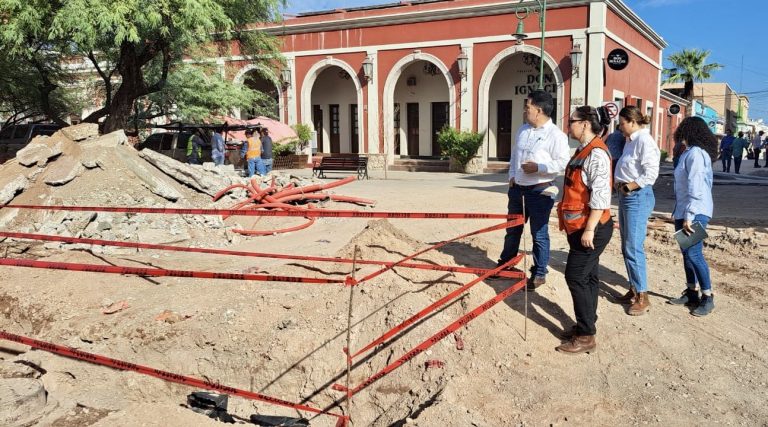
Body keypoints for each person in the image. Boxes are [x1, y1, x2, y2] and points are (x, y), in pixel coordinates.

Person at [555, 105, 614, 355]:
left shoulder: (597, 154)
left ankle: (587, 335)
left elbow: (601, 197)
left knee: (575, 275)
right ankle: (586, 323)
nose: (569, 125)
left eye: (572, 121)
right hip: (579, 226)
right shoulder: (583, 150)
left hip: (591, 228)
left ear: (586, 124)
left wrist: (589, 229)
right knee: (588, 276)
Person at [497, 89, 570, 290]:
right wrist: (511, 176)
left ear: (538, 110)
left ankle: (539, 272)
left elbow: (563, 162)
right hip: (517, 190)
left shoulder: (556, 136)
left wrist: (540, 168)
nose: (524, 110)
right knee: (512, 230)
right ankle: (506, 265)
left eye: (527, 107)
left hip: (540, 191)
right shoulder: (523, 130)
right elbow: (514, 156)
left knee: (539, 234)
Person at [667, 117, 716, 316]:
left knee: (694, 254)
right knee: (687, 254)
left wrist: (689, 215)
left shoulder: (696, 154)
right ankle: (691, 292)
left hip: (695, 212)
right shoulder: (688, 153)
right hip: (684, 211)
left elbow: (696, 187)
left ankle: (708, 296)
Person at [614, 105, 660, 316]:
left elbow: (651, 174)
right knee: (626, 246)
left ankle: (643, 295)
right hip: (626, 196)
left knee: (633, 247)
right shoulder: (630, 141)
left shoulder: (644, 141)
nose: (620, 127)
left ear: (632, 122)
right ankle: (634, 288)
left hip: (637, 197)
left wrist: (629, 186)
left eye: (622, 123)